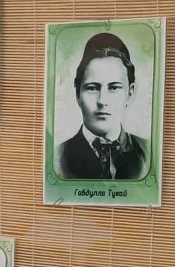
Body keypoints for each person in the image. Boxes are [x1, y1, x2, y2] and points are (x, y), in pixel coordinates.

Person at [57, 32, 148, 180]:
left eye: (114, 87)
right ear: (78, 94)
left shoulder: (150, 154)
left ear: (130, 93)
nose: (102, 100)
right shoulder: (56, 159)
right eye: (92, 88)